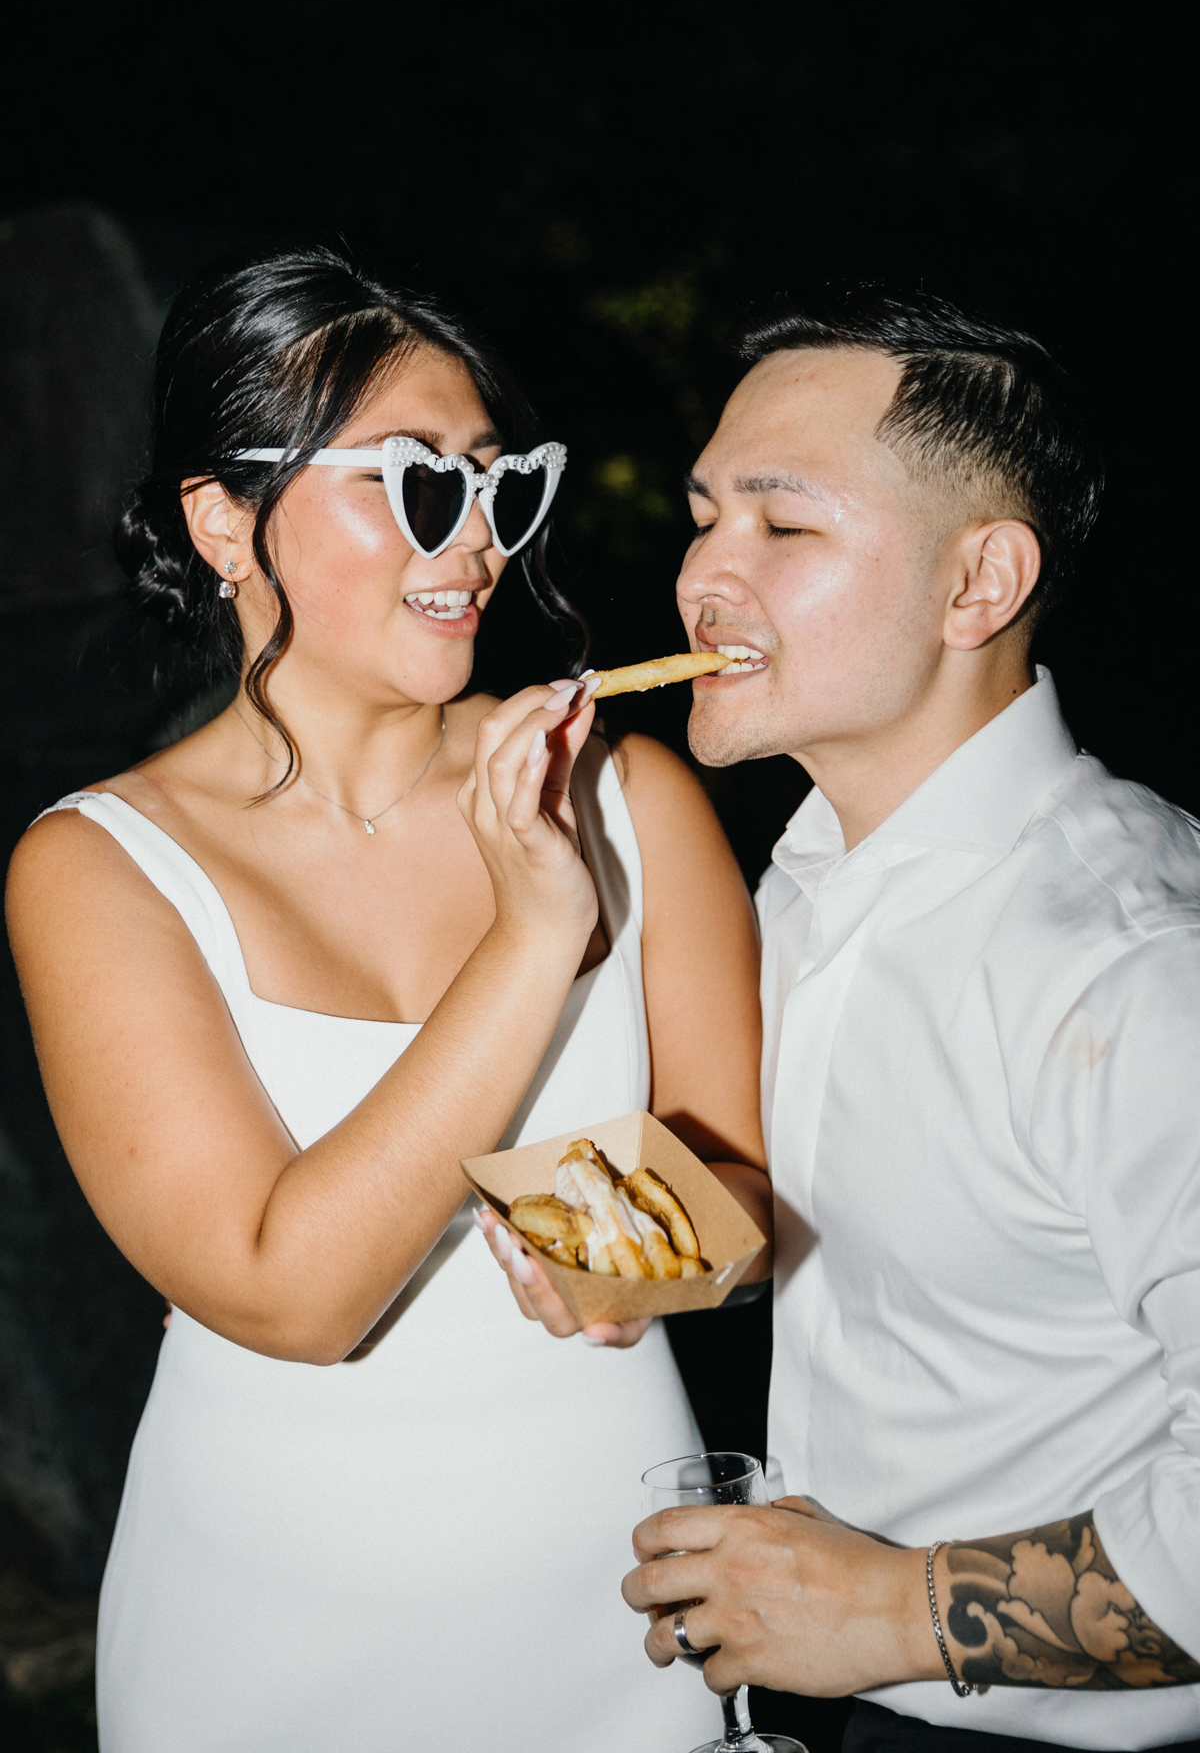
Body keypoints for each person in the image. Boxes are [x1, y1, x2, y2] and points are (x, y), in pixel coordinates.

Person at [4, 243, 770, 1753]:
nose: (476, 538)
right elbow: (292, 1291)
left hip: (613, 1595)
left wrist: (644, 1255)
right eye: (417, 482)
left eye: (500, 482)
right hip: (275, 1626)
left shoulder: (632, 796)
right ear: (224, 522)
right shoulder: (98, 870)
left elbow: (749, 1200)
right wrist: (530, 936)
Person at [608, 287, 1200, 1750]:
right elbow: (879, 1243)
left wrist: (884, 1613)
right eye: (704, 515)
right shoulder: (808, 874)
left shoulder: (1134, 967)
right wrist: (620, 1239)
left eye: (782, 525)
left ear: (976, 583)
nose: (702, 574)